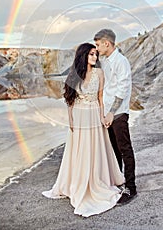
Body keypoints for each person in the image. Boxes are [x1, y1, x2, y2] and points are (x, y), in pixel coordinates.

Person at [42, 43, 124, 217]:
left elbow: (101, 98)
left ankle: (95, 182)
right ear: (83, 56)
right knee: (79, 149)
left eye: (96, 54)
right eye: (91, 54)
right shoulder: (75, 74)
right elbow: (70, 100)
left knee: (94, 149)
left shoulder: (99, 73)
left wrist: (102, 116)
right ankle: (77, 182)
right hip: (79, 116)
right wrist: (70, 119)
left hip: (94, 114)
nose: (95, 57)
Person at [94, 29, 137, 205]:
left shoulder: (121, 61)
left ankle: (131, 188)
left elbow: (123, 88)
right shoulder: (104, 61)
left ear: (107, 43)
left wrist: (112, 112)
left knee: (125, 148)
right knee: (114, 150)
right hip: (108, 113)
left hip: (118, 113)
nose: (97, 48)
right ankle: (118, 182)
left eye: (98, 45)